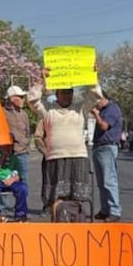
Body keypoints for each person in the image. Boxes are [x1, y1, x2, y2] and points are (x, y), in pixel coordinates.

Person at [29, 77, 100, 213]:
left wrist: (93, 77)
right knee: (56, 198)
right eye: (64, 92)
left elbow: (95, 96)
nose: (68, 95)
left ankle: (76, 227)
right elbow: (33, 101)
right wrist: (40, 83)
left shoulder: (80, 108)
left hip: (78, 157)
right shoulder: (48, 110)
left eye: (70, 92)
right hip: (55, 159)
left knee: (77, 198)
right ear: (57, 95)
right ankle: (58, 227)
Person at [90, 89, 123, 221]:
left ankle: (115, 210)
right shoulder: (103, 110)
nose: (95, 104)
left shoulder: (112, 109)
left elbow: (104, 126)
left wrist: (96, 115)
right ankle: (105, 209)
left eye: (96, 100)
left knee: (109, 180)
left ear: (103, 98)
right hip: (98, 146)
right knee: (101, 182)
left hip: (107, 147)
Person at [0, 144, 28, 222]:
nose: (8, 148)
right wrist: (2, 158)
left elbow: (19, 175)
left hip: (11, 179)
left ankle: (20, 214)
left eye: (10, 146)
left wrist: (12, 179)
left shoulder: (15, 158)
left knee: (23, 188)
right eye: (6, 146)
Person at [3, 85, 32, 186]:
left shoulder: (23, 114)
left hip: (21, 154)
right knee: (3, 181)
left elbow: (28, 133)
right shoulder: (2, 113)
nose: (23, 100)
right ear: (12, 98)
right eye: (21, 97)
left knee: (23, 182)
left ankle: (22, 202)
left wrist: (25, 147)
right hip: (6, 155)